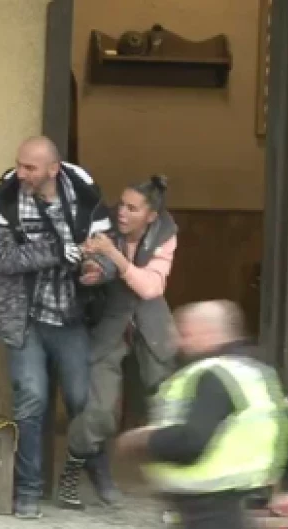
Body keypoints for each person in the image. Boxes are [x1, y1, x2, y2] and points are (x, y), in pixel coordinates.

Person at [0, 136, 112, 519]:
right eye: (19, 164)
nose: (20, 173)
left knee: (81, 400)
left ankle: (94, 475)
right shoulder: (3, 199)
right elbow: (1, 258)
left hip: (70, 315)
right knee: (31, 400)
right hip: (23, 319)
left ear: (53, 169)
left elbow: (108, 251)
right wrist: (58, 251)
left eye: (30, 168)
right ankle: (27, 492)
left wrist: (97, 271)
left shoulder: (86, 195)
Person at [116, 300, 288, 529]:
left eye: (185, 334)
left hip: (207, 507)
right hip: (242, 501)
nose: (179, 342)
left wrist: (142, 441)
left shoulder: (212, 375)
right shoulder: (259, 371)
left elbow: (192, 442)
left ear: (208, 333)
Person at [60, 175, 178, 509]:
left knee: (168, 403)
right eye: (121, 205)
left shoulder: (165, 234)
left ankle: (177, 485)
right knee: (99, 412)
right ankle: (71, 470)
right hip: (109, 325)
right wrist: (93, 269)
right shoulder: (103, 225)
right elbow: (93, 261)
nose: (122, 213)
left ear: (150, 216)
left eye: (132, 208)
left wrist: (114, 255)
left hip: (152, 326)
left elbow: (151, 287)